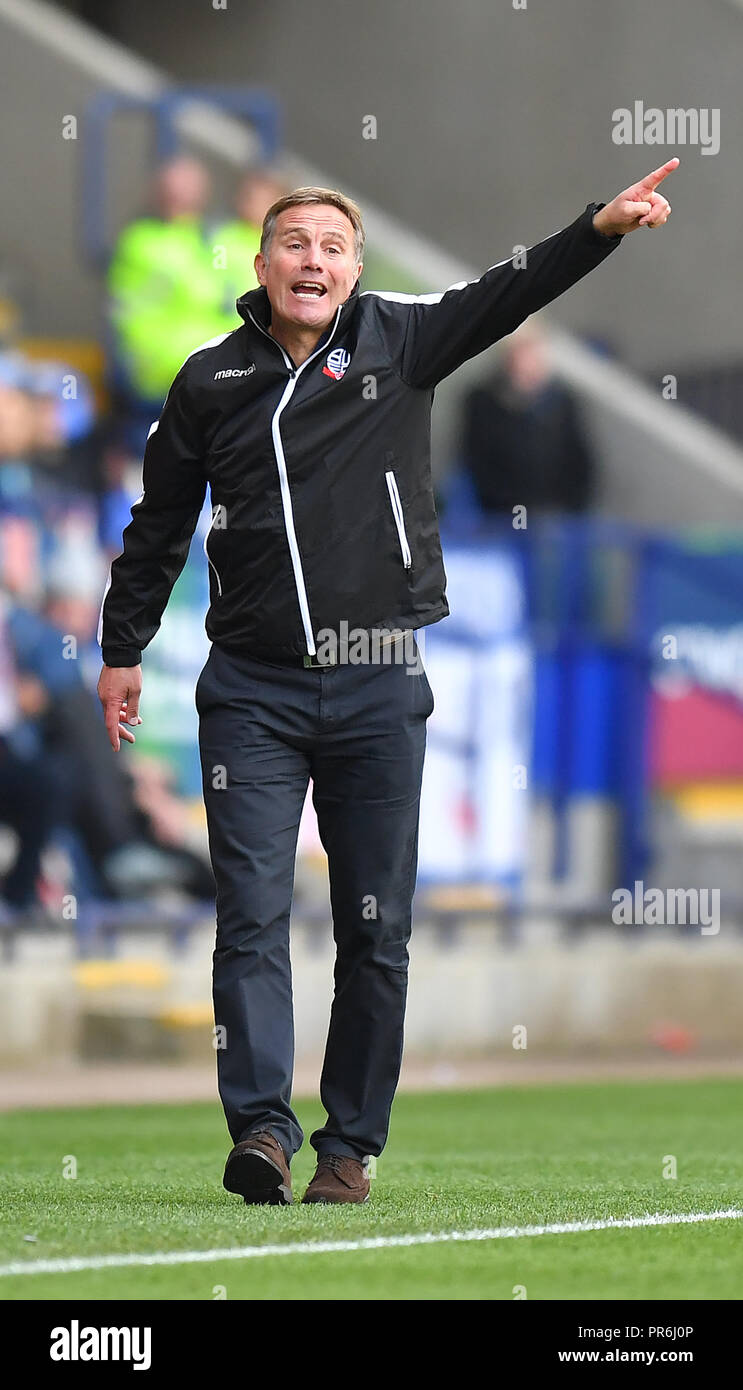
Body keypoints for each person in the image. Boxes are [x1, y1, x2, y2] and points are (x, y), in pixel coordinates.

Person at [97, 159, 678, 1207]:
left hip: (377, 684)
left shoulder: (401, 339)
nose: (311, 260)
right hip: (251, 691)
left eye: (330, 246)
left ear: (354, 268)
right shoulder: (206, 380)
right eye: (293, 244)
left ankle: (350, 1146)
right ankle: (263, 1134)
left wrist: (597, 227)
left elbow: (512, 289)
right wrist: (119, 648)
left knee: (373, 927)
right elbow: (157, 529)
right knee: (251, 914)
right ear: (262, 263)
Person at [107, 156, 236, 454]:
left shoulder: (213, 239)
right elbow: (199, 291)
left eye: (187, 189)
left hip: (206, 385)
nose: (179, 197)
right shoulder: (142, 242)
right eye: (173, 189)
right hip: (158, 385)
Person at [460, 324, 597, 515]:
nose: (531, 361)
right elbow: (478, 462)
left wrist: (565, 508)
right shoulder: (484, 400)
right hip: (503, 513)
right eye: (524, 352)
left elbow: (580, 463)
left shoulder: (562, 402)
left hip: (555, 513)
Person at [211, 167, 289, 311]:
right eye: (249, 197)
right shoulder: (221, 238)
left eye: (263, 200)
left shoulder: (284, 245)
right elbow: (213, 272)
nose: (253, 204)